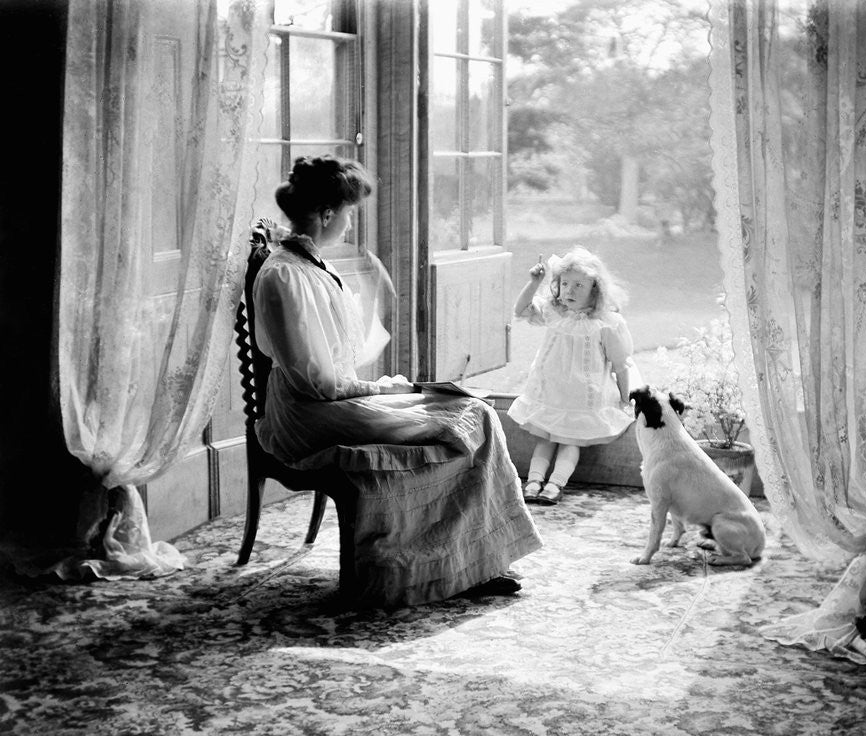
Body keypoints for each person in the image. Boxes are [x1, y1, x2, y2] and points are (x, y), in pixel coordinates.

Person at [252, 155, 542, 607]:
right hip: (308, 414)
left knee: (473, 412)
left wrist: (374, 306)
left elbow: (339, 357)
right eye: (348, 214)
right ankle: (430, 566)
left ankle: (468, 560)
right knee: (468, 417)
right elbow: (318, 382)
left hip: (331, 400)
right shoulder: (285, 276)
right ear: (327, 214)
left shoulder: (314, 268)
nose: (349, 225)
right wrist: (394, 390)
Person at [507, 246, 635, 505]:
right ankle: (533, 482)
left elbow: (620, 365)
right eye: (565, 284)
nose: (569, 291)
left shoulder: (606, 323)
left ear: (595, 290)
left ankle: (555, 485)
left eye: (579, 285)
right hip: (551, 392)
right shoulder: (554, 313)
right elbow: (520, 310)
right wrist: (534, 282)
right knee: (545, 438)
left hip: (582, 397)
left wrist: (624, 397)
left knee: (569, 441)